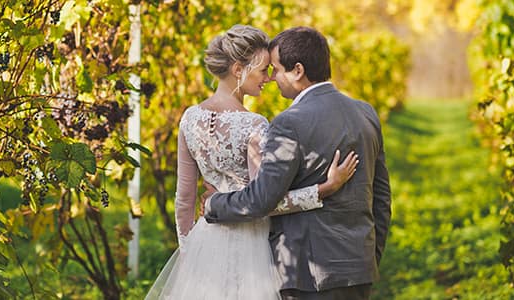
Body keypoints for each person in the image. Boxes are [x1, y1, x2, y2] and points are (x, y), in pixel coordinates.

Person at [145, 25, 358, 300]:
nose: (268, 78)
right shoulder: (253, 125)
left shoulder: (189, 118)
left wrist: (187, 251)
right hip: (250, 247)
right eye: (262, 71)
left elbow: (184, 198)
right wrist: (323, 189)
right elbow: (265, 203)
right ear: (238, 70)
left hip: (204, 242)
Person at [203, 26, 392, 299]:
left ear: (298, 71)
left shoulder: (289, 123)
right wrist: (369, 255)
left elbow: (261, 199)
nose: (271, 79)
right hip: (359, 267)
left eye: (277, 70)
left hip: (308, 275)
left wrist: (214, 203)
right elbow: (382, 196)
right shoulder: (365, 113)